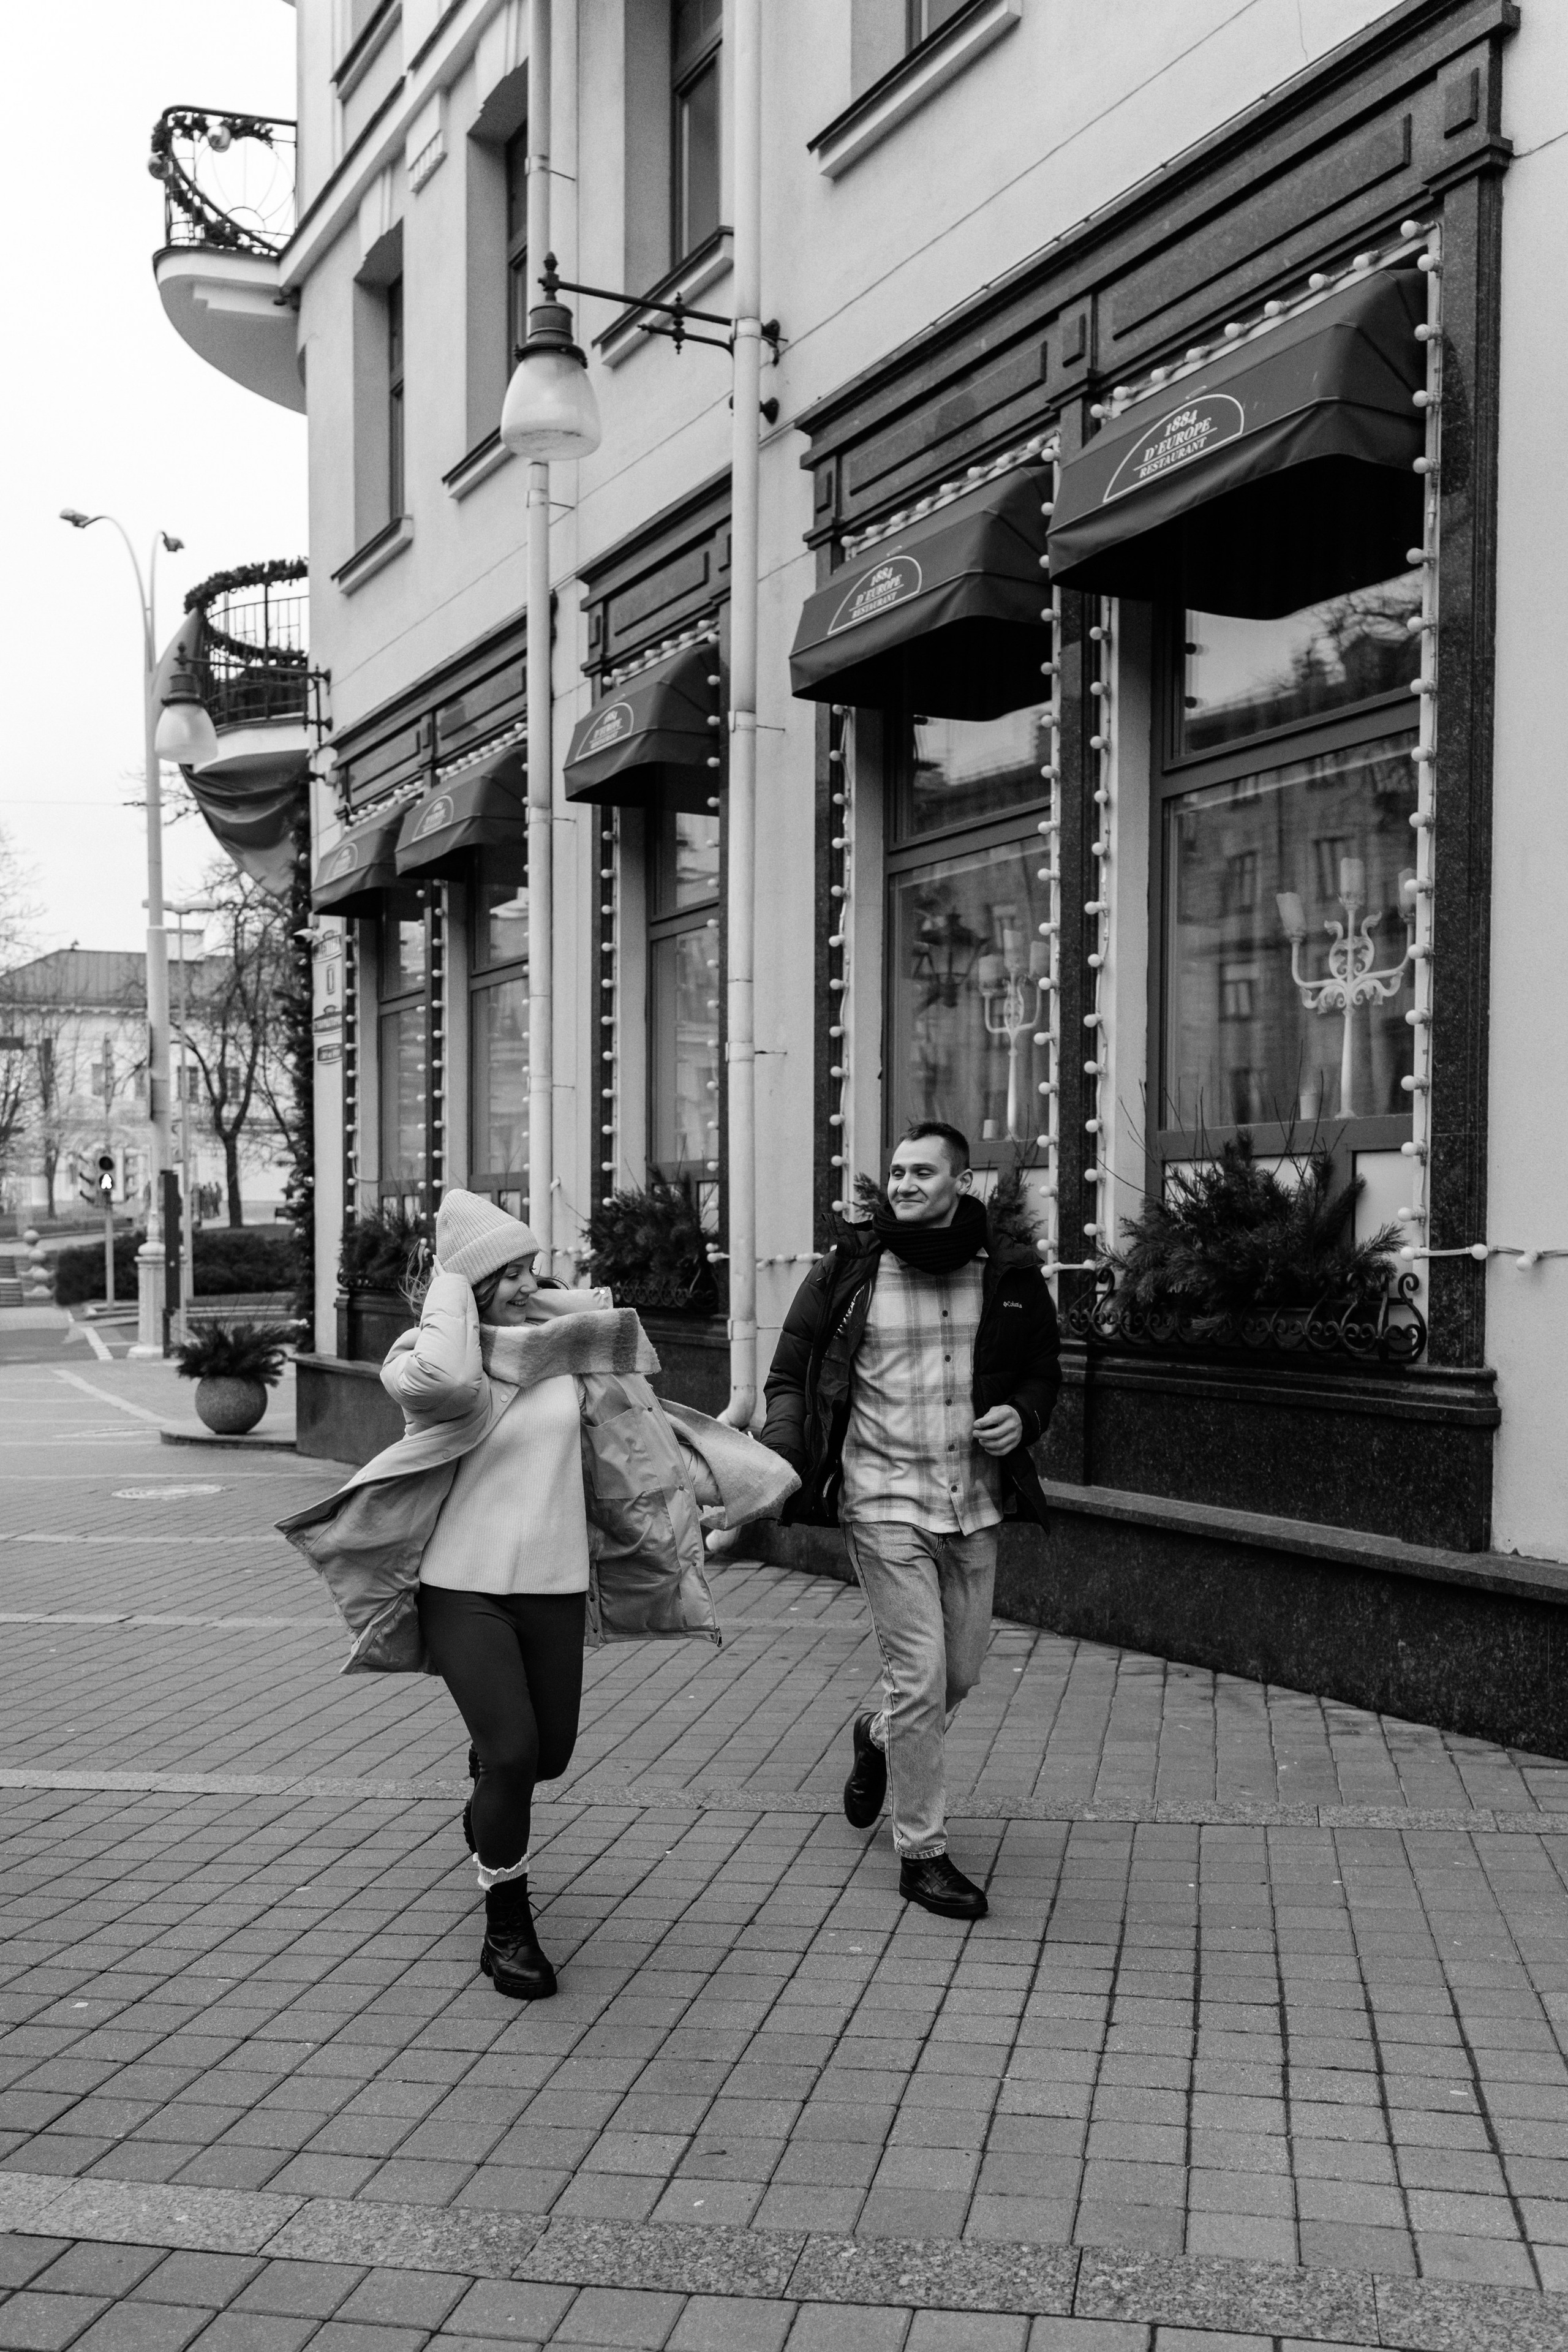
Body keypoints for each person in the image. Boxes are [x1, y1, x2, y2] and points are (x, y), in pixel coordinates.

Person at [282, 1189, 796, 2003]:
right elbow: (449, 1387)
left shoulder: (570, 1353)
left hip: (555, 1587)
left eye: (532, 1268)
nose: (528, 1282)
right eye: (509, 1273)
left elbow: (645, 1429)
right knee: (518, 1750)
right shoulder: (424, 1357)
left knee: (541, 1759)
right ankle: (508, 1924)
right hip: (462, 1588)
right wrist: (454, 1285)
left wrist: (734, 1489)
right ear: (469, 1286)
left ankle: (494, 1784)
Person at [762, 1123, 1060, 1919]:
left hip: (975, 1503)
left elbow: (1043, 1371)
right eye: (894, 1171)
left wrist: (1022, 1417)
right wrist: (784, 1461)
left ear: (958, 1184)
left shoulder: (1009, 1274)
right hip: (881, 1501)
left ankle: (877, 1733)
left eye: (921, 1172)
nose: (901, 1184)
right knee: (923, 1676)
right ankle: (922, 1853)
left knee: (956, 1676)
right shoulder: (851, 1272)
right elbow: (790, 1373)